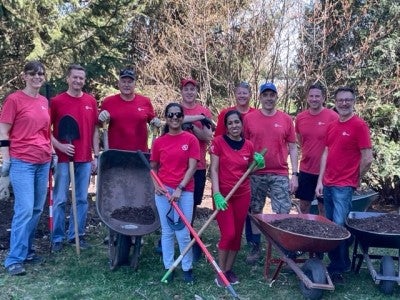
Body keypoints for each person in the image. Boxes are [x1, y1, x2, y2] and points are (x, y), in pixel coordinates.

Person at [0, 61, 54, 275]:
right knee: (24, 209)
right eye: (32, 74)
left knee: (36, 209)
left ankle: (27, 250)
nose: (37, 77)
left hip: (43, 160)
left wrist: (53, 152)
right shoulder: (14, 100)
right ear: (24, 76)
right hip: (22, 161)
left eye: (40, 74)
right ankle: (14, 259)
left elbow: (45, 131)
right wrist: (6, 158)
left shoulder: (43, 101)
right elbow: (3, 132)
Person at [316, 86, 372, 283]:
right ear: (335, 101)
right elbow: (326, 152)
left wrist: (355, 178)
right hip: (329, 183)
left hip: (344, 185)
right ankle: (338, 262)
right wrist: (320, 180)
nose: (344, 103)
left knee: (339, 226)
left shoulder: (359, 125)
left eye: (348, 100)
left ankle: (340, 266)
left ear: (354, 101)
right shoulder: (332, 125)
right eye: (340, 100)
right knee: (332, 225)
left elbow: (367, 157)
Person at [243, 82, 299, 265]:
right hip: (256, 173)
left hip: (279, 173)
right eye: (265, 95)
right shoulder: (250, 119)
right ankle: (255, 245)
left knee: (282, 211)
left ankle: (285, 248)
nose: (268, 98)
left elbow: (292, 147)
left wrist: (294, 174)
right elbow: (243, 145)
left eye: (272, 95)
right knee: (255, 210)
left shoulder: (285, 120)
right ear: (260, 97)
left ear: (276, 97)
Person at [210, 110, 264, 287]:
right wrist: (216, 193)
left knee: (237, 235)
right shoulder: (218, 142)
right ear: (226, 127)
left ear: (242, 125)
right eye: (230, 123)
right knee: (228, 234)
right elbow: (214, 170)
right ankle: (220, 271)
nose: (234, 126)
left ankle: (228, 270)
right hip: (223, 195)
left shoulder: (248, 145)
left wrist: (257, 164)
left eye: (237, 122)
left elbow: (248, 171)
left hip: (242, 194)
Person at [50, 64, 100, 252]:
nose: (78, 81)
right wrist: (60, 146)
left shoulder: (90, 101)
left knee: (81, 199)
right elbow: (46, 131)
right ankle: (57, 238)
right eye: (75, 77)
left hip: (85, 159)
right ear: (68, 79)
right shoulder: (57, 101)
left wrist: (95, 155)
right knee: (61, 199)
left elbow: (95, 130)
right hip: (63, 160)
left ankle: (76, 235)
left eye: (81, 78)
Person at [150, 102, 200, 283]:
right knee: (167, 231)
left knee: (183, 232)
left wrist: (180, 188)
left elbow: (192, 167)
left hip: (184, 191)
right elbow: (153, 167)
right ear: (166, 118)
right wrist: (156, 185)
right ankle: (169, 267)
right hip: (163, 191)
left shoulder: (190, 139)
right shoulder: (159, 142)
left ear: (182, 117)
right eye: (170, 115)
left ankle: (187, 268)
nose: (175, 118)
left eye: (178, 114)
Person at [179, 78, 213, 261]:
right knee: (174, 201)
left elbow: (208, 137)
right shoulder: (175, 109)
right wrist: (198, 119)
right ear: (182, 91)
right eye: (187, 89)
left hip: (197, 166)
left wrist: (192, 126)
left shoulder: (204, 111)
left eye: (193, 89)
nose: (190, 92)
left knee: (191, 204)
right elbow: (172, 124)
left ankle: (189, 238)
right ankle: (171, 238)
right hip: (176, 166)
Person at [295, 83, 338, 215]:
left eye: (317, 96)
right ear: (307, 98)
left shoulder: (332, 117)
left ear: (323, 98)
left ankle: (323, 233)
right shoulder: (300, 118)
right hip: (306, 169)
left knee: (323, 206)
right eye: (311, 96)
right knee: (304, 205)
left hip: (326, 171)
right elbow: (300, 140)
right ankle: (304, 232)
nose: (314, 99)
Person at [98, 68, 161, 151]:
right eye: (123, 81)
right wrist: (100, 118)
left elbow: (153, 121)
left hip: (139, 154)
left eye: (130, 82)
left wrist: (156, 121)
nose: (126, 85)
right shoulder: (108, 102)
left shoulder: (145, 101)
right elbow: (99, 124)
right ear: (119, 84)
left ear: (135, 84)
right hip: (115, 154)